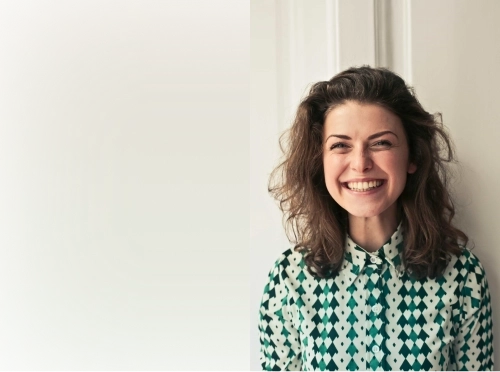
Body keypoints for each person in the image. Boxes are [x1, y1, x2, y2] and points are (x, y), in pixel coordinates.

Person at [258, 66, 493, 371]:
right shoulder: (287, 278)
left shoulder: (462, 277)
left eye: (381, 143)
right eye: (340, 145)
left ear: (413, 157)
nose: (360, 163)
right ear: (320, 161)